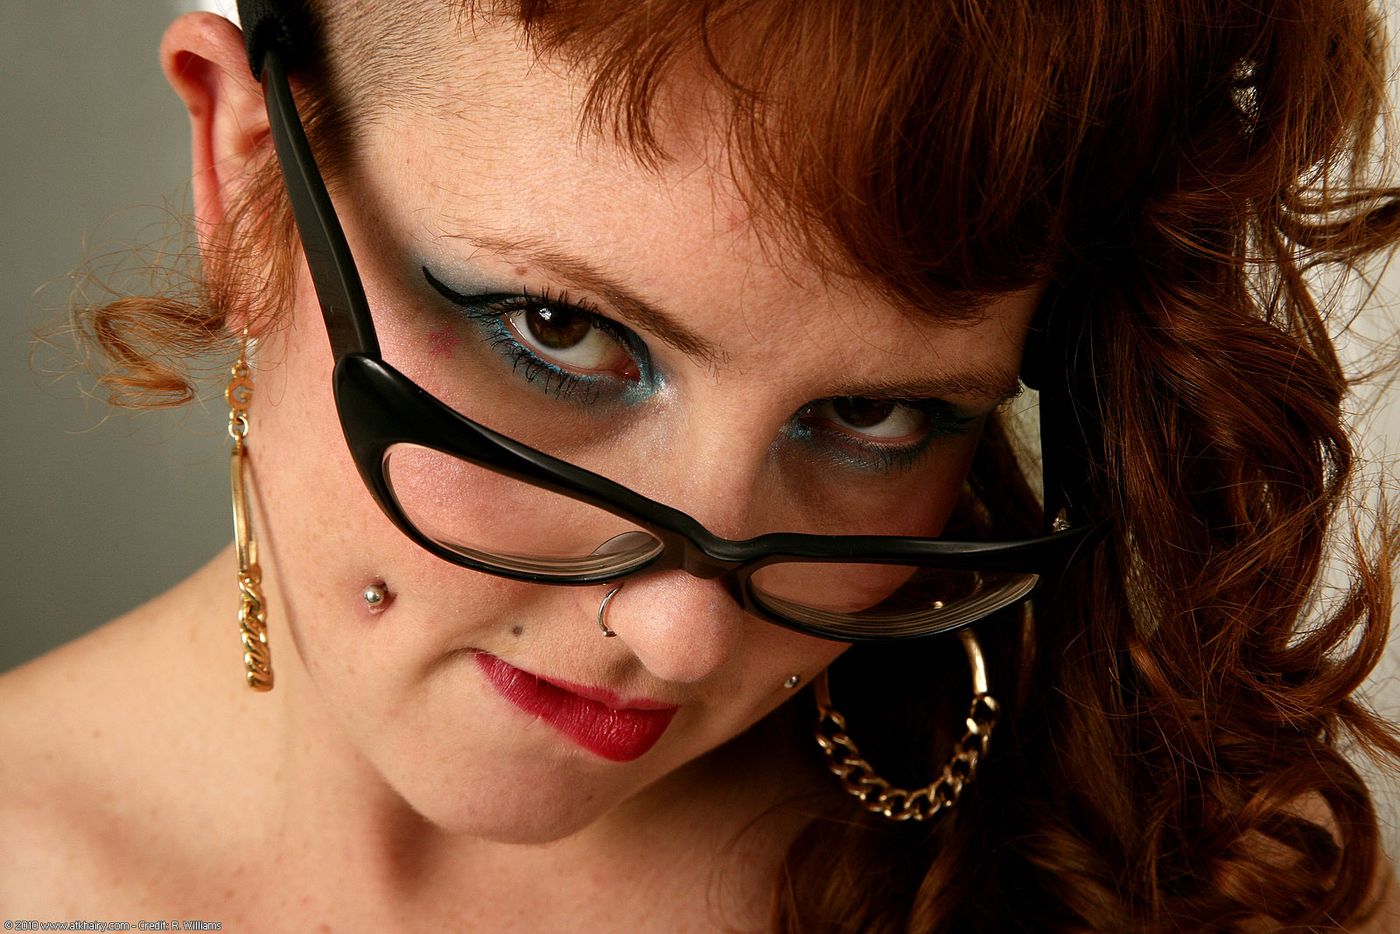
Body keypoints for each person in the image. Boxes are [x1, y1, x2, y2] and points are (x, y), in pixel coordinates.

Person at [2, 0, 1397, 929]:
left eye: (875, 417)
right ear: (248, 172)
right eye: (559, 333)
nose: (683, 633)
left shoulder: (1207, 882)